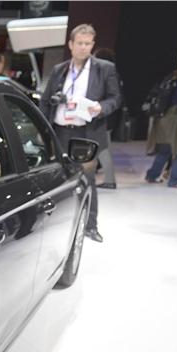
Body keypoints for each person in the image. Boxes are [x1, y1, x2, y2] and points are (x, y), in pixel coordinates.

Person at [40, 23, 121, 243]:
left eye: (88, 43)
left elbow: (115, 98)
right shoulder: (60, 70)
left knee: (87, 179)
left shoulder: (104, 69)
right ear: (71, 44)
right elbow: (46, 101)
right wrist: (43, 130)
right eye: (80, 43)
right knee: (57, 178)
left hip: (86, 134)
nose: (84, 47)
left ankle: (90, 226)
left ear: (92, 45)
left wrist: (101, 108)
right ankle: (57, 223)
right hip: (60, 132)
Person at [145, 71, 177, 187]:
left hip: (164, 117)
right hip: (176, 118)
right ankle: (176, 179)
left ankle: (152, 175)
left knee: (165, 149)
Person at [93, 47, 121, 189]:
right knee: (102, 149)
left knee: (102, 150)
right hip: (108, 118)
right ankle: (107, 179)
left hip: (102, 118)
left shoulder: (105, 75)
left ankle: (109, 181)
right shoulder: (113, 75)